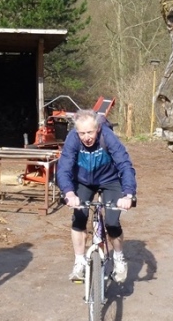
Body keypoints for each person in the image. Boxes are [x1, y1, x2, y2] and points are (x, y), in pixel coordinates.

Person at [57, 109, 137, 283]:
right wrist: (69, 192)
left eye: (90, 132)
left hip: (110, 181)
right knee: (79, 217)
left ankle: (118, 258)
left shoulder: (107, 136)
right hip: (83, 181)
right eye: (82, 133)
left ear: (98, 129)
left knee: (112, 222)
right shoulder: (73, 139)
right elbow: (64, 168)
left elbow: (125, 165)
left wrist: (128, 194)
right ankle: (79, 262)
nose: (86, 137)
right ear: (77, 132)